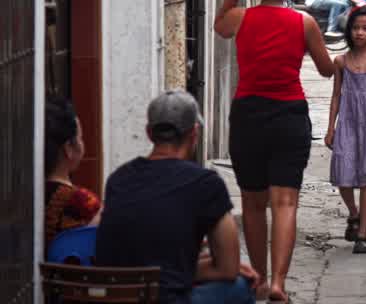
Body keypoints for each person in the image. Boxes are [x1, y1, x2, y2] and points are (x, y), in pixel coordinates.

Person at [214, 0, 336, 302]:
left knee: (253, 203)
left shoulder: (239, 17)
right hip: (289, 117)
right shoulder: (304, 23)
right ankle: (280, 283)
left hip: (248, 116)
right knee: (285, 203)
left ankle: (261, 280)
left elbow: (218, 26)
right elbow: (327, 69)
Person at [96, 90, 259, 304]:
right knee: (241, 286)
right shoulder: (206, 184)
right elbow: (227, 268)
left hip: (119, 297)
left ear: (149, 133)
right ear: (194, 134)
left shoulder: (118, 179)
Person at [325, 8, 366, 255]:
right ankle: (354, 213)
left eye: (365, 28)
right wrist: (331, 127)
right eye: (355, 28)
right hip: (348, 124)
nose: (359, 33)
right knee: (343, 174)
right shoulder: (341, 61)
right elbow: (335, 96)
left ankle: (363, 234)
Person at [44, 97, 101, 246]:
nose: (82, 144)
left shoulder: (21, 200)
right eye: (80, 138)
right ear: (69, 148)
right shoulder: (84, 203)